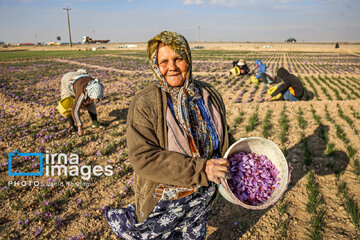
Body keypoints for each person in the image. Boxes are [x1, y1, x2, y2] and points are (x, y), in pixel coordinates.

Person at [104, 31, 234, 239]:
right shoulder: (145, 103)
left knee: (193, 233)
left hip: (203, 193)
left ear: (188, 60)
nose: (172, 67)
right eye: (163, 61)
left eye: (178, 59)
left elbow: (223, 136)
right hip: (166, 198)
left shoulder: (208, 95)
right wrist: (201, 168)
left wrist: (244, 158)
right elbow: (143, 158)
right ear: (155, 64)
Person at [60, 69, 104, 135]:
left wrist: (87, 102)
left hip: (80, 78)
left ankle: (95, 122)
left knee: (90, 104)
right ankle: (72, 126)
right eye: (94, 98)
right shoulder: (81, 93)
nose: (95, 100)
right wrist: (80, 126)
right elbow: (74, 110)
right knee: (68, 103)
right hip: (68, 80)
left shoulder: (95, 85)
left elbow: (93, 97)